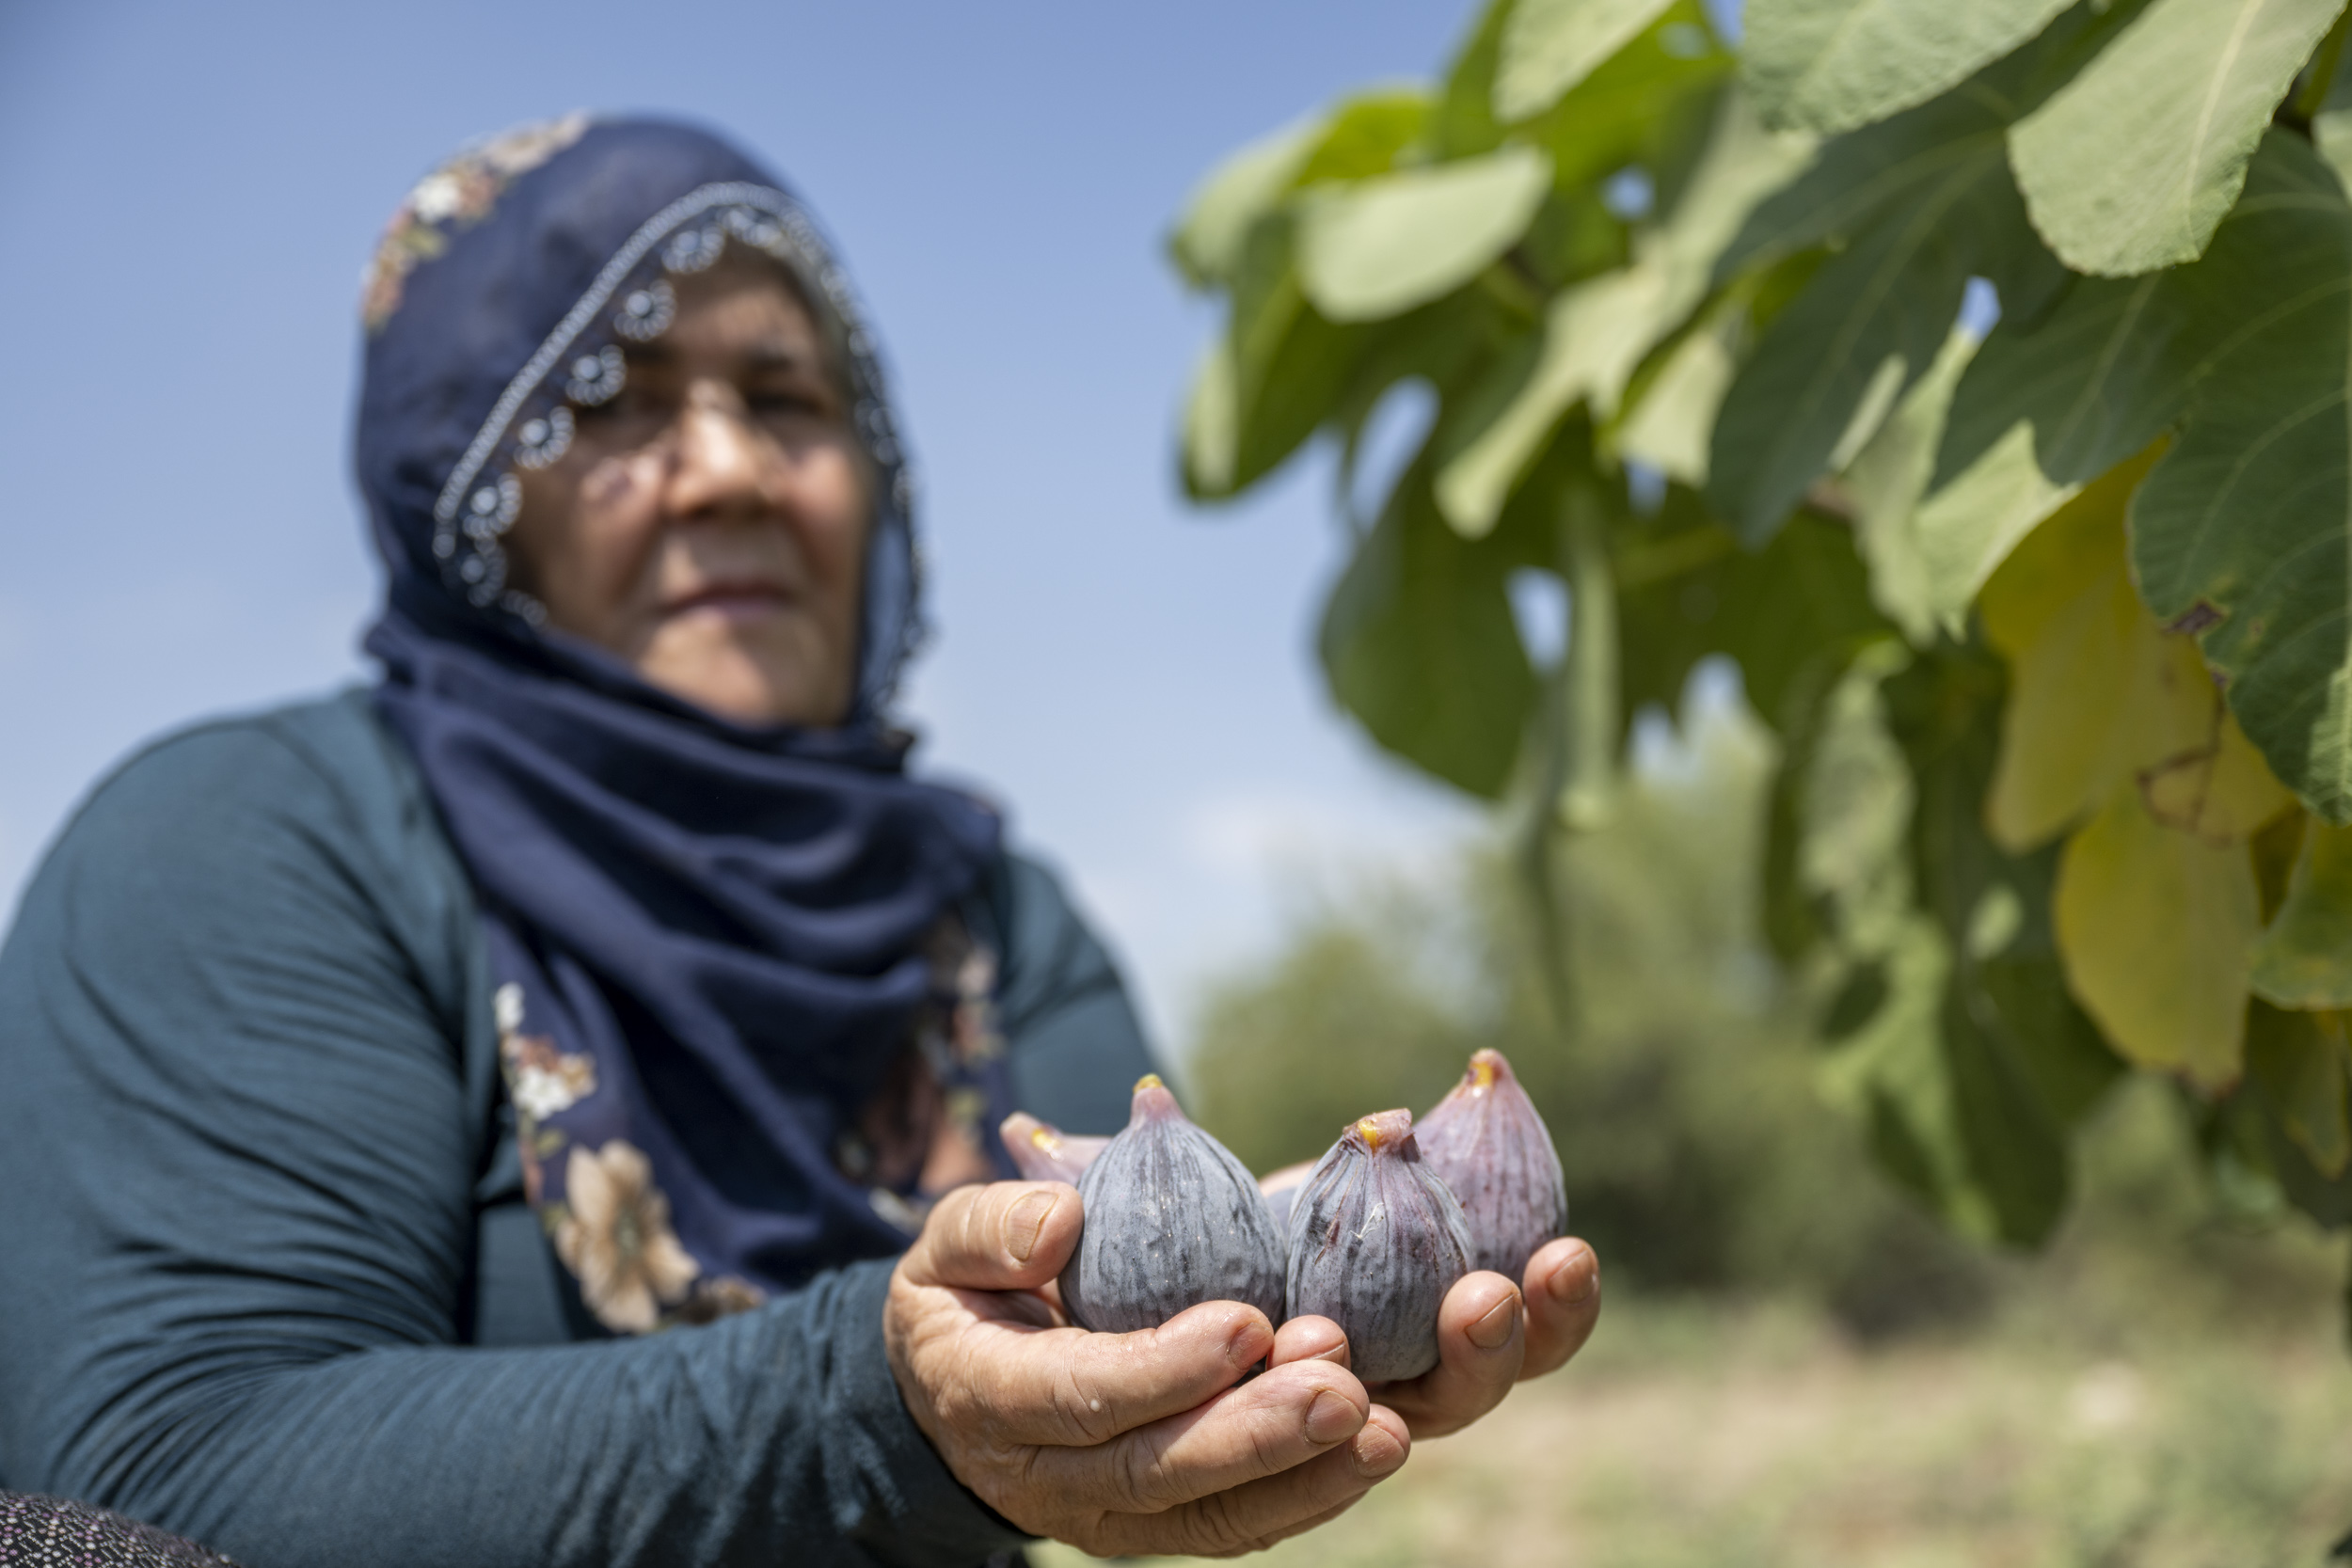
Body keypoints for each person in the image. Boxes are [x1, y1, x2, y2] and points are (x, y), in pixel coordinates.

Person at [0, 118, 1601, 1567]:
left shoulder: (990, 918)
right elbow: (155, 1475)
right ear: (465, 493)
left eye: (785, 399)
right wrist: (875, 1414)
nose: (730, 472)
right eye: (604, 405)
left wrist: (1307, 1283)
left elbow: (1166, 1296)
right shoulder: (253, 843)